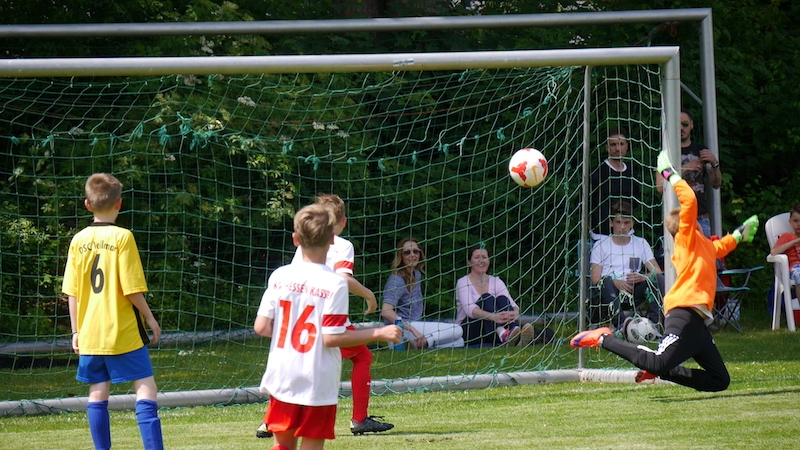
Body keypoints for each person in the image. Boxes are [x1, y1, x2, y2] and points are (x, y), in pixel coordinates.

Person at [570, 150, 759, 392]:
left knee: (720, 381)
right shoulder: (687, 239)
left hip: (698, 323)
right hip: (683, 313)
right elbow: (689, 199)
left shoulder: (703, 246)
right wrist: (669, 173)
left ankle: (662, 370)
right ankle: (604, 338)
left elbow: (721, 247)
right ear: (688, 225)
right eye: (692, 220)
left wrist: (739, 235)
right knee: (657, 361)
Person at [254, 204, 401, 450]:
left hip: (282, 374)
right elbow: (331, 337)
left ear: (295, 239)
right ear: (332, 240)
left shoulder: (279, 276)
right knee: (312, 444)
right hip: (317, 377)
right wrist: (379, 332)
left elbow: (261, 327)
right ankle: (359, 419)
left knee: (282, 444)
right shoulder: (334, 284)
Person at [62, 173, 164, 450]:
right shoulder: (123, 237)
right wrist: (149, 317)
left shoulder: (78, 240)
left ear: (87, 205)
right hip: (122, 331)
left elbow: (72, 292)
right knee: (146, 387)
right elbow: (131, 289)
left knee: (97, 392)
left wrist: (76, 331)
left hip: (90, 333)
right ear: (119, 203)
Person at [589, 200, 665, 329]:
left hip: (634, 289)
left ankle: (654, 325)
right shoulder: (600, 245)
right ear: (611, 223)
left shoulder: (640, 243)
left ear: (632, 223)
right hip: (610, 291)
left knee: (659, 279)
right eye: (618, 222)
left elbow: (657, 271)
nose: (622, 227)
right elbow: (595, 278)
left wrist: (643, 277)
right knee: (606, 281)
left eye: (626, 223)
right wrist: (615, 282)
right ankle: (622, 325)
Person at [381, 238, 464, 349]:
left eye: (416, 251)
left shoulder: (416, 274)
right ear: (400, 256)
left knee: (459, 342)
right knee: (457, 329)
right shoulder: (397, 279)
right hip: (402, 330)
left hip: (415, 326)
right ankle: (424, 341)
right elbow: (386, 311)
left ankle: (421, 343)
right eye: (407, 252)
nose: (412, 255)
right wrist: (413, 330)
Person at [455, 244, 535, 347]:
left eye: (484, 257)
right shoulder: (463, 282)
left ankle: (513, 332)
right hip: (470, 330)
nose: (481, 261)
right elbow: (470, 310)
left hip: (491, 331)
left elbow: (512, 304)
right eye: (477, 257)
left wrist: (513, 313)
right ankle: (503, 333)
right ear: (469, 262)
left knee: (502, 299)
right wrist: (493, 317)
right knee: (487, 298)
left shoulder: (496, 281)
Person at [657, 110, 721, 237]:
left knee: (703, 251)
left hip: (701, 218)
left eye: (685, 124)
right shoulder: (666, 153)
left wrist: (714, 163)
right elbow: (660, 187)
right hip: (676, 220)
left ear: (691, 125)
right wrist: (685, 168)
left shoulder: (701, 151)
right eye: (677, 124)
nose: (681, 128)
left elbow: (716, 184)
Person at [590, 128, 643, 239]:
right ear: (607, 147)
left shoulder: (632, 173)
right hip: (601, 236)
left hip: (627, 235)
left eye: (621, 144)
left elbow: (635, 202)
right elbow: (585, 204)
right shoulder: (597, 173)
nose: (618, 148)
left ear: (627, 146)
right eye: (613, 144)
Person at [769, 204, 800, 302]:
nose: (799, 224)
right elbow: (773, 251)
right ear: (790, 222)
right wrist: (794, 242)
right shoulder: (787, 237)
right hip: (795, 268)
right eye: (796, 221)